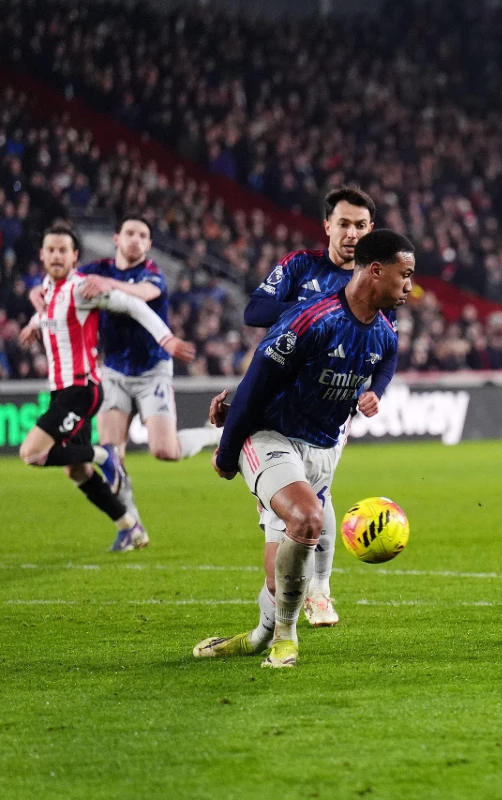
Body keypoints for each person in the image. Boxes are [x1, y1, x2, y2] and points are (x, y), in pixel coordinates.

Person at [193, 229, 411, 668]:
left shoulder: (384, 331)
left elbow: (387, 358)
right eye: (404, 275)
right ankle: (286, 640)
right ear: (375, 271)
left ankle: (258, 636)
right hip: (270, 438)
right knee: (309, 518)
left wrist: (378, 391)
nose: (409, 285)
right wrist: (227, 450)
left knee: (281, 582)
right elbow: (258, 382)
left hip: (323, 451)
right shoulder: (312, 318)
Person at [241, 186, 393, 628]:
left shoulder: (378, 280)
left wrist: (376, 390)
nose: (351, 233)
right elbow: (255, 310)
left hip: (332, 414)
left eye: (360, 226)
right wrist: (316, 308)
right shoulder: (299, 266)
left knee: (313, 500)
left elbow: (388, 350)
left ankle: (317, 592)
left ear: (370, 231)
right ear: (327, 225)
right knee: (305, 504)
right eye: (343, 223)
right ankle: (292, 608)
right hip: (278, 407)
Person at [31, 214, 222, 539]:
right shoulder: (97, 269)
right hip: (114, 372)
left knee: (165, 450)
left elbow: (143, 296)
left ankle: (215, 436)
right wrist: (36, 314)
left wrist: (109, 286)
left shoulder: (151, 273)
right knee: (111, 452)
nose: (136, 239)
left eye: (143, 235)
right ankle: (132, 526)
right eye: (130, 233)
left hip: (152, 370)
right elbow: (52, 288)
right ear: (116, 239)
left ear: (148, 244)